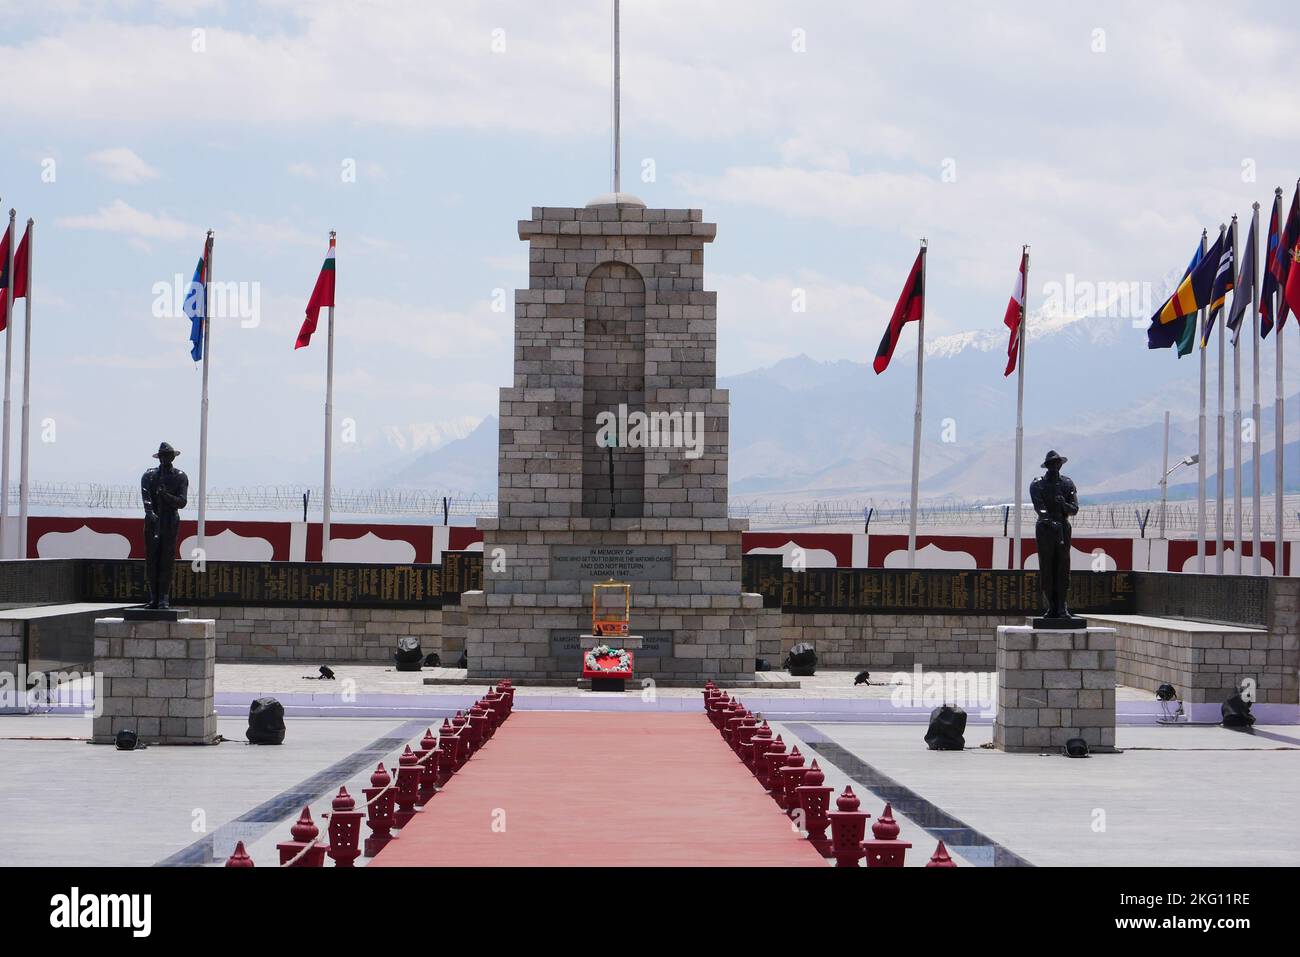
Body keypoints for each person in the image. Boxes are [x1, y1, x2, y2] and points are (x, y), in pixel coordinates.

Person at [1029, 450, 1078, 620]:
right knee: (1047, 567)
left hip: (1063, 528)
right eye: (1051, 464)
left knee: (1063, 567)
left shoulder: (1067, 484)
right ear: (1047, 466)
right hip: (1045, 529)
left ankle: (1062, 607)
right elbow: (1040, 508)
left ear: (1060, 464)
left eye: (1057, 463)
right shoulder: (1037, 485)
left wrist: (1063, 504)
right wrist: (1050, 521)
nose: (1054, 467)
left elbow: (1074, 509)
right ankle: (1051, 606)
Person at [141, 442, 188, 609]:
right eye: (161, 456)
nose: (164, 459)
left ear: (172, 457)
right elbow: (146, 498)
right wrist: (150, 513)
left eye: (167, 456)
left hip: (170, 521)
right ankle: (153, 597)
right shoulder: (149, 476)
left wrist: (165, 495)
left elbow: (182, 502)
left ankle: (163, 598)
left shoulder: (180, 476)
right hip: (153, 522)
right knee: (152, 559)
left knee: (166, 560)